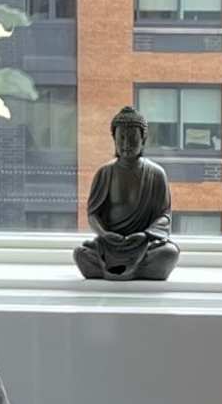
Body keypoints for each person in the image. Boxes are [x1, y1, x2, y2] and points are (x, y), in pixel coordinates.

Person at [75, 105, 179, 282]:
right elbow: (93, 214)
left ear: (144, 139)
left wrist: (145, 235)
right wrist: (104, 234)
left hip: (142, 243)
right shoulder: (105, 173)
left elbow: (164, 216)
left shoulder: (156, 174)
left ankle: (130, 269)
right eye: (121, 138)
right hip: (111, 245)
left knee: (169, 253)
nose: (126, 144)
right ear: (114, 139)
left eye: (132, 139)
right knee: (81, 254)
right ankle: (131, 270)